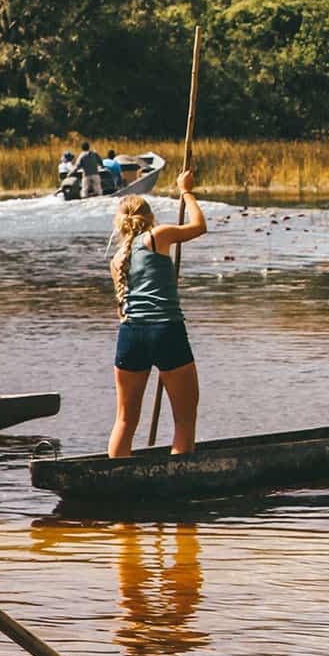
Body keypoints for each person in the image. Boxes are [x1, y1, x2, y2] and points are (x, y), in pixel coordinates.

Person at [107, 170, 205, 457]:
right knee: (185, 421)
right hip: (165, 330)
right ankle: (178, 483)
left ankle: (115, 480)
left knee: (124, 420)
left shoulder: (117, 260)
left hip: (130, 335)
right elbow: (199, 226)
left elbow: (122, 308)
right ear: (149, 218)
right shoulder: (157, 236)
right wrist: (185, 191)